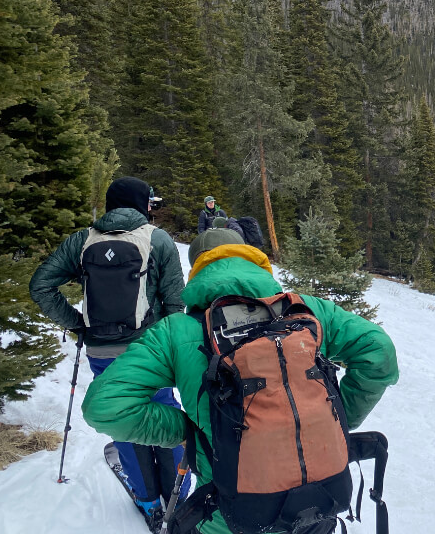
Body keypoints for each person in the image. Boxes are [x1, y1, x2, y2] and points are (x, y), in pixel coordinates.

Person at [81, 228, 400, 534]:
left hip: (229, 516)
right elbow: (379, 353)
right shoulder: (304, 308)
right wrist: (340, 417)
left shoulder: (180, 330)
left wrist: (186, 431)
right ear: (252, 259)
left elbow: (104, 406)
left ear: (199, 268)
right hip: (319, 504)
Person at [30, 176, 191, 527]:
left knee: (122, 417)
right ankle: (180, 496)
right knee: (162, 407)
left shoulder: (81, 240)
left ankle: (149, 503)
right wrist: (164, 342)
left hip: (102, 348)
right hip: (148, 350)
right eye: (150, 202)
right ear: (141, 204)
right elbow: (177, 301)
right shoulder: (158, 239)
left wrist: (77, 324)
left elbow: (41, 285)